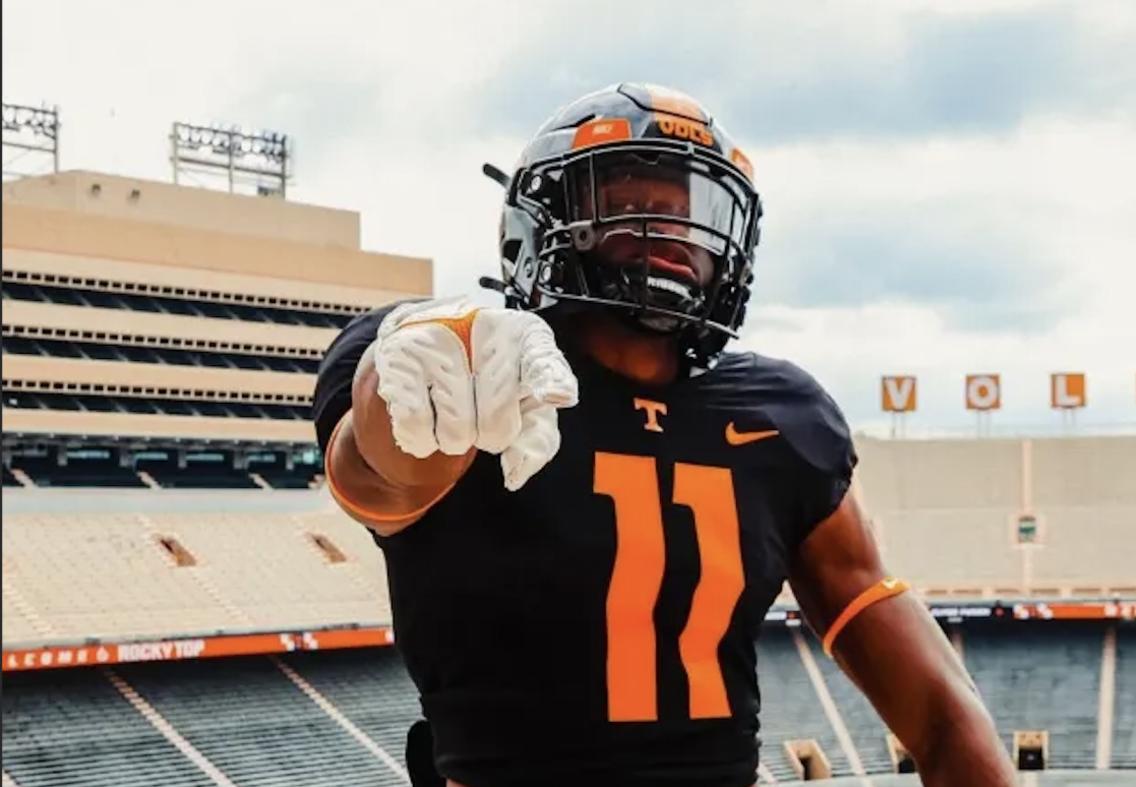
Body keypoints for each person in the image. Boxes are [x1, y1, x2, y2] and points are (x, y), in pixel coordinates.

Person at [313, 83, 1016, 787]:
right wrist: (401, 377)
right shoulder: (464, 365)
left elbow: (939, 711)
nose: (676, 224)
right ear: (542, 219)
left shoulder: (785, 415)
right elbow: (380, 476)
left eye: (694, 206)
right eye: (631, 194)